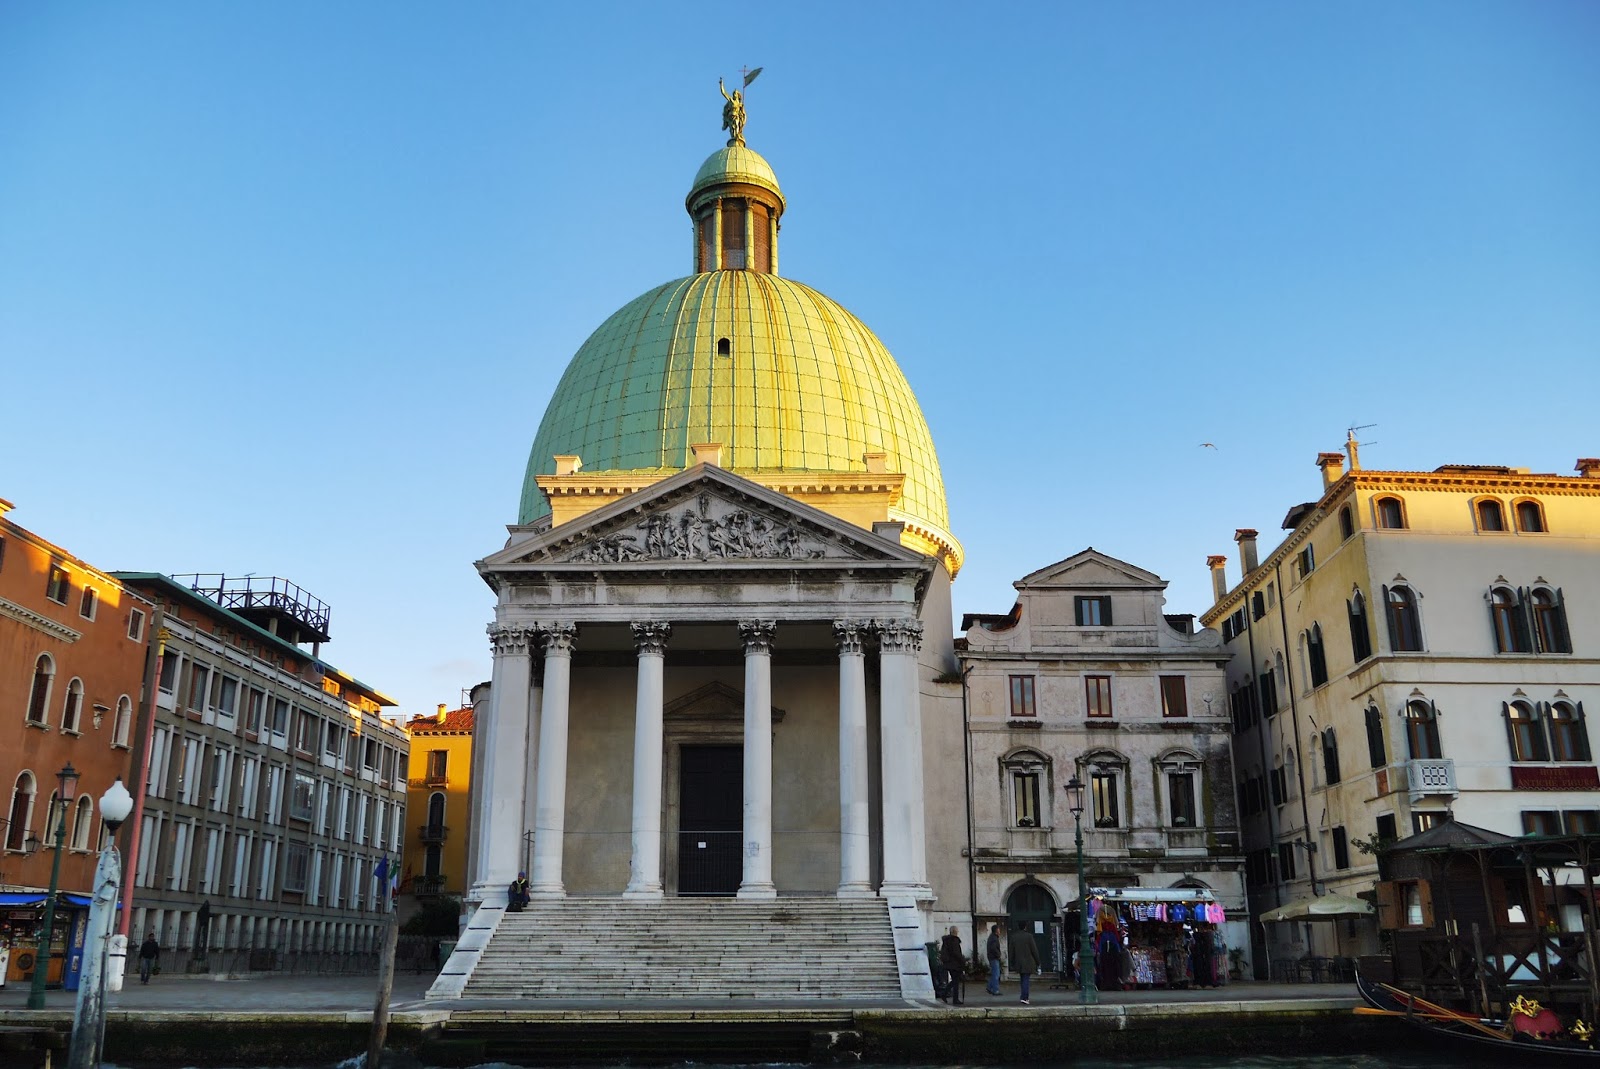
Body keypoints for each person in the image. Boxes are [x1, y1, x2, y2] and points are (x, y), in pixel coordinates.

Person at [1007, 922, 1040, 1005]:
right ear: (1025, 927)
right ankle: (1025, 997)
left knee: (1022, 979)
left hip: (1018, 962)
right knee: (1025, 979)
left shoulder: (1014, 937)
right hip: (1028, 962)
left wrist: (1011, 962)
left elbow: (1011, 951)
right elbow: (1034, 950)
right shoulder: (1029, 936)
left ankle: (1023, 996)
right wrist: (1038, 962)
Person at [938, 926, 965, 1005]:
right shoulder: (954, 940)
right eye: (957, 931)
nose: (957, 932)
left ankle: (946, 995)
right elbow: (956, 953)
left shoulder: (946, 940)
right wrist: (962, 960)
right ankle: (952, 997)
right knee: (956, 981)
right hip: (955, 964)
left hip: (949, 964)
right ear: (955, 932)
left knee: (955, 981)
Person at [986, 923, 1003, 996]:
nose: (999, 931)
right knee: (996, 974)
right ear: (996, 931)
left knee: (994, 973)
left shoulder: (992, 937)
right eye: (998, 930)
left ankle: (989, 987)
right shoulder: (994, 938)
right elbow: (993, 948)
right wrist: (998, 955)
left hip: (992, 957)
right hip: (994, 958)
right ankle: (995, 990)